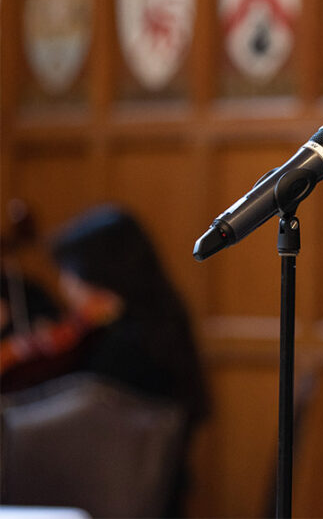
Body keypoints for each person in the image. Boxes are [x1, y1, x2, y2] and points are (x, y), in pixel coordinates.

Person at [46, 204, 210, 516]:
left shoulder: (128, 346)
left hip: (122, 499)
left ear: (97, 273)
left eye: (69, 274)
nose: (66, 288)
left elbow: (82, 428)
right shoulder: (162, 321)